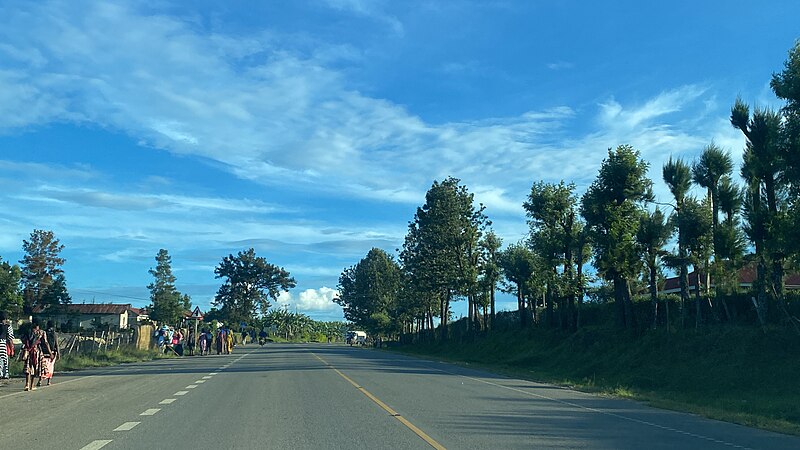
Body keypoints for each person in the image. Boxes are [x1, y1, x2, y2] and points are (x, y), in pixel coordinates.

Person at [23, 320, 52, 391]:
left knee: (28, 367)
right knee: (35, 368)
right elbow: (46, 342)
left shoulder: (28, 331)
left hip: (28, 351)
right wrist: (50, 353)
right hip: (37, 351)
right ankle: (32, 385)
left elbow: (24, 340)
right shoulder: (41, 332)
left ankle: (27, 384)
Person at [37, 320, 59, 387]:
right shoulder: (54, 333)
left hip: (44, 352)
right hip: (52, 352)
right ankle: (48, 381)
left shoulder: (43, 332)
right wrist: (58, 353)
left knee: (43, 366)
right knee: (50, 367)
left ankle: (40, 380)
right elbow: (57, 344)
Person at [0, 311, 14, 380]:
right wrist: (12, 350)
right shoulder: (8, 327)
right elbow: (10, 339)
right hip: (3, 343)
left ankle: (1, 373)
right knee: (4, 359)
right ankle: (5, 373)